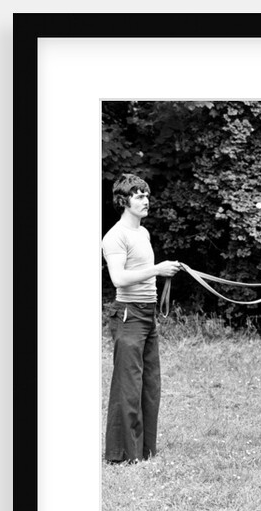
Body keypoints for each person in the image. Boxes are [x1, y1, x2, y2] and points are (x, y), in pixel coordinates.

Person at [102, 173, 180, 464]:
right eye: (138, 196)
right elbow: (118, 278)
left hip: (148, 315)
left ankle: (145, 451)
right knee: (129, 386)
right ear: (124, 201)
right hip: (129, 315)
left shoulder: (143, 233)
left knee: (150, 384)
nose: (146, 200)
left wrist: (162, 270)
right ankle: (123, 454)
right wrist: (157, 270)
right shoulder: (115, 236)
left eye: (146, 195)